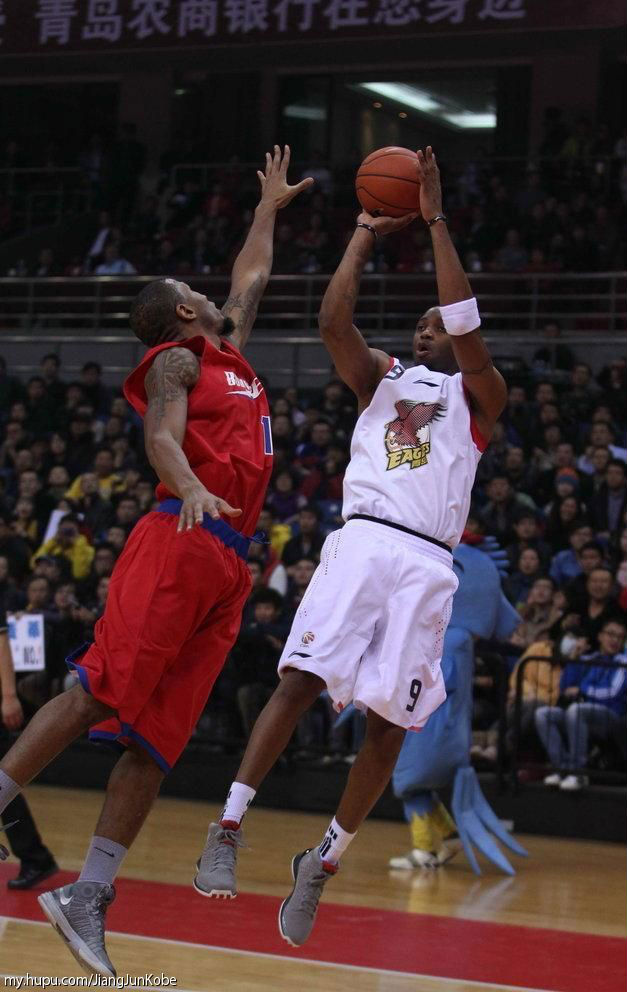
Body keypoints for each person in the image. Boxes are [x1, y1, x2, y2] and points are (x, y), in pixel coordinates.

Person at [0, 145, 312, 979]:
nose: (208, 291)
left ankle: (88, 897)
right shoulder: (178, 360)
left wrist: (265, 211)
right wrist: (190, 488)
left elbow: (249, 279)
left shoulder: (231, 350)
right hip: (183, 533)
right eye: (192, 291)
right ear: (178, 315)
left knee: (156, 740)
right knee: (98, 687)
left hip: (230, 563)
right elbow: (162, 437)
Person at [194, 147, 507, 946]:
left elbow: (465, 322)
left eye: (434, 320)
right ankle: (227, 825)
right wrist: (365, 232)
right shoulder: (381, 377)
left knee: (385, 729)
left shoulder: (479, 395)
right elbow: (333, 323)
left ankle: (323, 862)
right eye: (420, 321)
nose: (424, 325)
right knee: (298, 681)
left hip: (428, 562)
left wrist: (434, 217)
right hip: (365, 539)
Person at [535, 619, 627, 791]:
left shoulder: (623, 661)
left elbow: (612, 693)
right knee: (543, 714)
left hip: (610, 716)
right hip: (580, 713)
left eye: (620, 637)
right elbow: (564, 687)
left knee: (576, 710)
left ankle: (578, 772)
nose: (615, 640)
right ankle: (562, 768)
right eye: (611, 634)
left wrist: (582, 690)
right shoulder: (589, 659)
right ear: (600, 636)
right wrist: (575, 658)